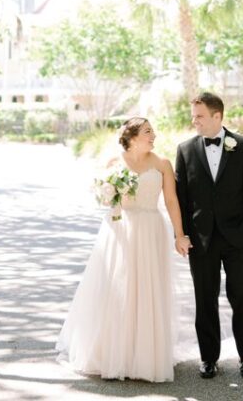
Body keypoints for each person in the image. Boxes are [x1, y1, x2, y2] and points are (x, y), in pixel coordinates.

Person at [56, 117, 192, 382]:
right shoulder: (114, 162)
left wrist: (179, 235)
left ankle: (145, 356)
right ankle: (113, 353)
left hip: (151, 229)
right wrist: (109, 194)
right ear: (131, 136)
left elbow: (172, 200)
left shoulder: (162, 163)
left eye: (153, 131)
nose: (153, 136)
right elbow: (103, 194)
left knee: (148, 290)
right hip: (120, 229)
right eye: (147, 132)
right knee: (119, 289)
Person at [175, 92, 243, 379]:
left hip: (238, 237)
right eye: (193, 115)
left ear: (217, 116)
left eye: (199, 115)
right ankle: (209, 359)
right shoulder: (185, 150)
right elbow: (183, 197)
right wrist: (184, 234)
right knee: (205, 299)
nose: (194, 120)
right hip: (202, 240)